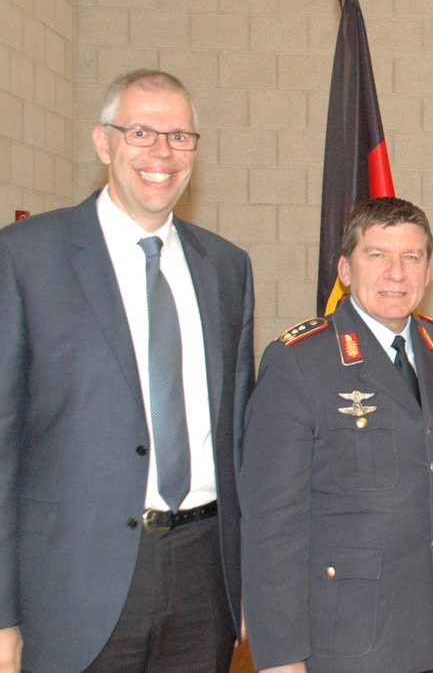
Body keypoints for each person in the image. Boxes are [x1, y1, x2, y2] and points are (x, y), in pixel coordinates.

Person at [0, 69, 255, 672]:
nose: (161, 154)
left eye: (180, 137)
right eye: (141, 132)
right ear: (103, 142)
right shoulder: (26, 256)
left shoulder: (227, 267)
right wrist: (4, 615)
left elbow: (240, 441)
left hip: (203, 580)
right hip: (71, 588)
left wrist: (249, 582)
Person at [239, 197, 433, 673]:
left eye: (410, 257)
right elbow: (272, 521)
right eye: (377, 255)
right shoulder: (300, 361)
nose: (396, 273)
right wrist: (280, 653)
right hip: (351, 640)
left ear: (428, 271)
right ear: (345, 269)